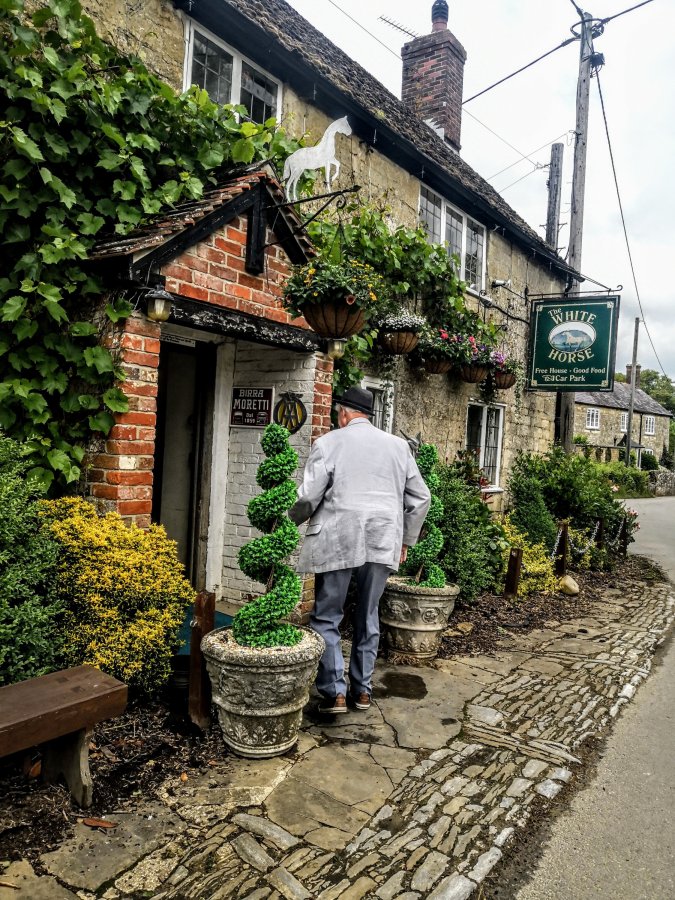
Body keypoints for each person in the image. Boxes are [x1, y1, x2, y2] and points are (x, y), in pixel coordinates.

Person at [289, 386, 431, 714]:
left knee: (326, 615)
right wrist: (405, 540)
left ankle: (335, 692)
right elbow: (421, 497)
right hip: (383, 540)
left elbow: (309, 497)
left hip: (339, 537)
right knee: (368, 615)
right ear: (369, 415)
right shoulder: (398, 447)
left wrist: (289, 520)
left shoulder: (328, 443)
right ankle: (363, 691)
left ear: (342, 413)